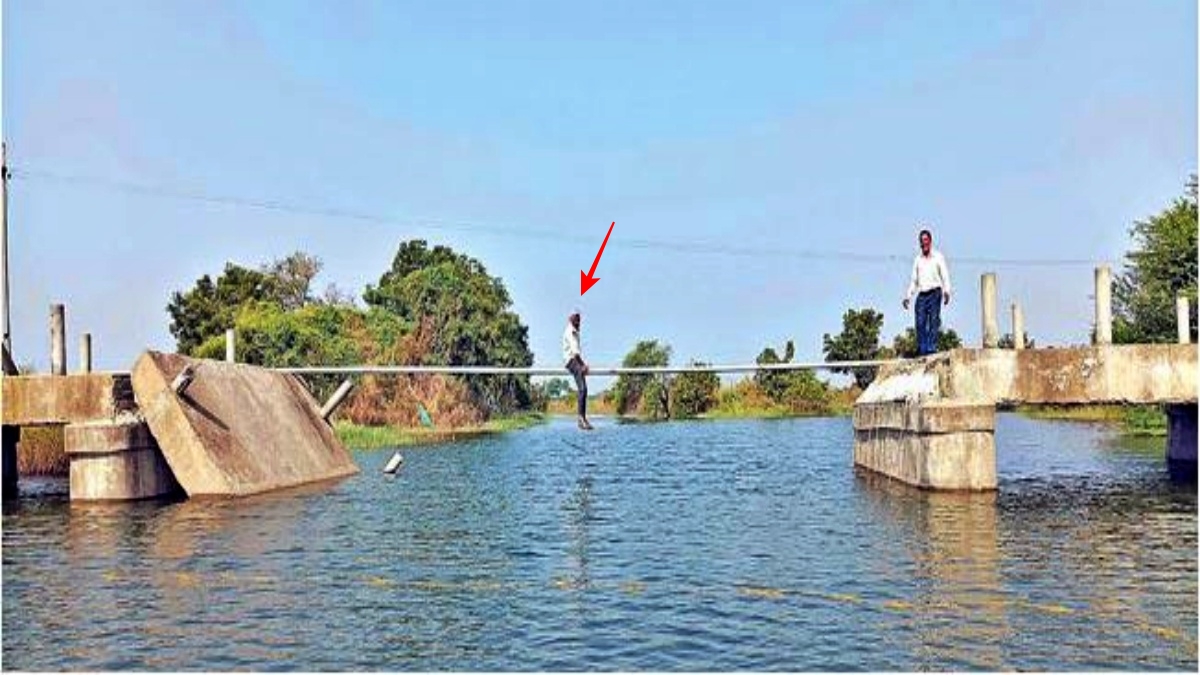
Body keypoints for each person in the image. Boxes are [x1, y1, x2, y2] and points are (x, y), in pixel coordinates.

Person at [902, 228, 952, 357]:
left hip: (935, 292)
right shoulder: (917, 260)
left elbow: (945, 275)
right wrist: (908, 296)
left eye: (925, 240)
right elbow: (914, 280)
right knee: (920, 322)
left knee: (934, 321)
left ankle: (931, 349)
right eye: (921, 241)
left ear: (930, 241)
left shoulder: (938, 257)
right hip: (922, 294)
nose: (923, 243)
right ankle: (923, 349)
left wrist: (947, 291)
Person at [563, 311, 594, 430]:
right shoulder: (571, 332)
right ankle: (581, 419)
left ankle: (583, 418)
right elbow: (575, 352)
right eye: (576, 319)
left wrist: (582, 365)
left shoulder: (574, 331)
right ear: (571, 319)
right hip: (571, 361)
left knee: (583, 389)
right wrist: (583, 365)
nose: (579, 321)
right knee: (583, 388)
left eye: (579, 319)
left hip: (573, 360)